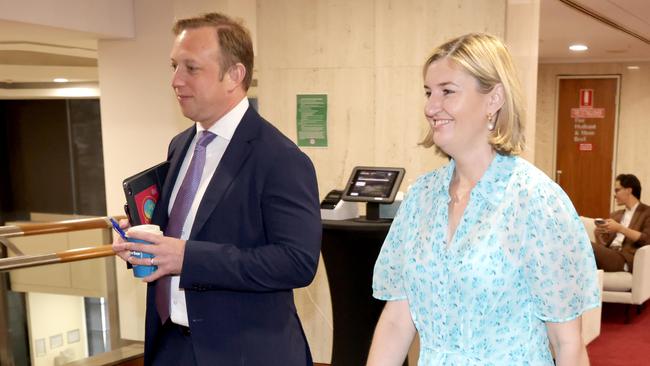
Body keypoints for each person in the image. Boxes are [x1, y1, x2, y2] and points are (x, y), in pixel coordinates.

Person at [366, 33, 600, 365]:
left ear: (494, 99)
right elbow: (397, 320)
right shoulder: (421, 198)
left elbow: (568, 344)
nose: (431, 107)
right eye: (429, 92)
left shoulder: (535, 201)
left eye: (447, 91)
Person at [112, 13, 321, 366]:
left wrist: (186, 257)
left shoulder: (280, 158)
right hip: (171, 346)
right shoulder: (180, 145)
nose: (176, 80)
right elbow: (185, 228)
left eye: (191, 68)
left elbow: (297, 263)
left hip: (244, 353)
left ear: (235, 75)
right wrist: (141, 241)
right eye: (174, 66)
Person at [592, 174, 650, 272]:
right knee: (582, 246)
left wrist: (620, 228)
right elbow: (604, 246)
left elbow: (646, 239)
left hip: (626, 259)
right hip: (611, 254)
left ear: (629, 190)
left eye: (617, 190)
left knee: (586, 246)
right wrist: (598, 235)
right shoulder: (616, 215)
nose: (614, 195)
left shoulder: (646, 212)